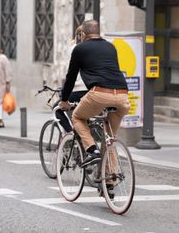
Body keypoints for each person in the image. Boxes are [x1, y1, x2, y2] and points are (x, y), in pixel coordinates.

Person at [59, 20, 130, 169]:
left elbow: (71, 77)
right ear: (98, 32)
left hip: (100, 94)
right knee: (109, 138)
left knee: (77, 117)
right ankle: (110, 180)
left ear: (83, 34)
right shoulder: (111, 47)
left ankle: (92, 150)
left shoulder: (79, 48)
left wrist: (64, 100)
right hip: (123, 95)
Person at [54, 26, 88, 132]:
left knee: (57, 108)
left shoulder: (74, 48)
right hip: (92, 90)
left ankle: (70, 133)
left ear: (78, 36)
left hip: (78, 90)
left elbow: (70, 74)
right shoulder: (93, 49)